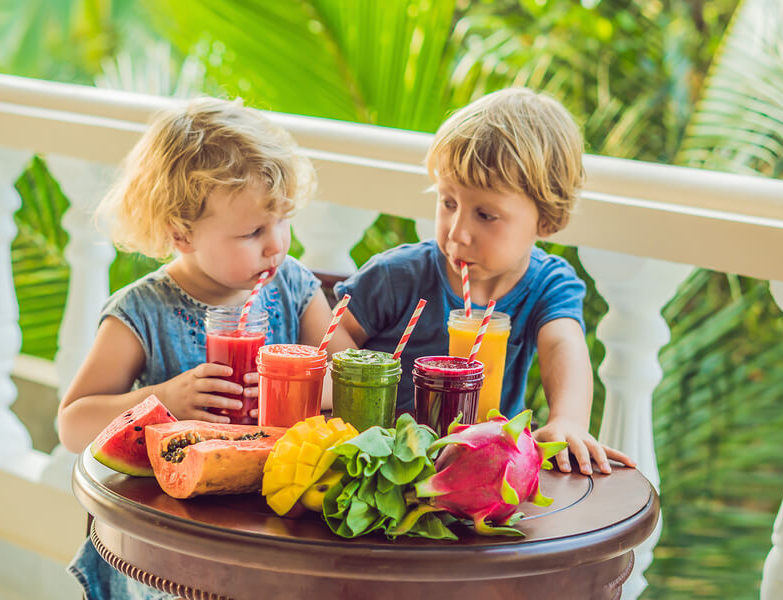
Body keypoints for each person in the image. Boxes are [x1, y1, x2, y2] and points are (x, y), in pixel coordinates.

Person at [58, 96, 352, 600]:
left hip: (274, 532)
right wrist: (165, 401)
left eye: (282, 220)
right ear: (181, 233)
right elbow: (73, 423)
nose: (275, 244)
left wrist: (308, 386)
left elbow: (347, 376)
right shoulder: (142, 311)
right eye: (252, 231)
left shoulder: (295, 287)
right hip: (171, 545)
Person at [336, 88, 635, 476]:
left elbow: (564, 342)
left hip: (476, 474)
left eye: (486, 215)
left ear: (545, 220)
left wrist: (569, 419)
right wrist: (360, 403)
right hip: (377, 465)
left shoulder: (547, 285)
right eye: (448, 203)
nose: (457, 234)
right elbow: (334, 331)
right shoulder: (398, 276)